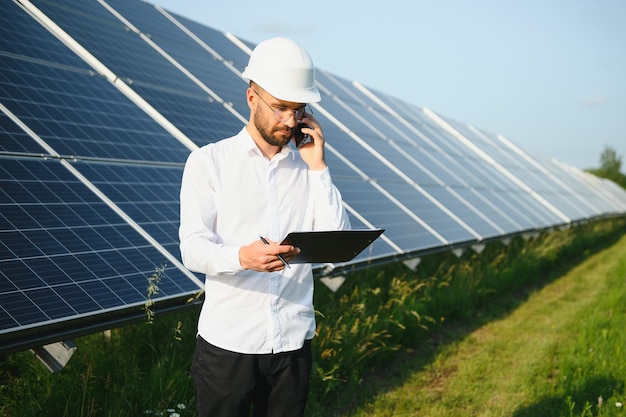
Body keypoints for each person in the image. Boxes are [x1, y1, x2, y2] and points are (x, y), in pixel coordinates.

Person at [179, 37, 351, 417]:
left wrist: (319, 167)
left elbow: (337, 242)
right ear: (252, 98)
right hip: (229, 345)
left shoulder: (309, 169)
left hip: (291, 342)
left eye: (298, 109)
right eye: (281, 108)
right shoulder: (209, 163)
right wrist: (243, 257)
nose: (290, 121)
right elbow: (192, 247)